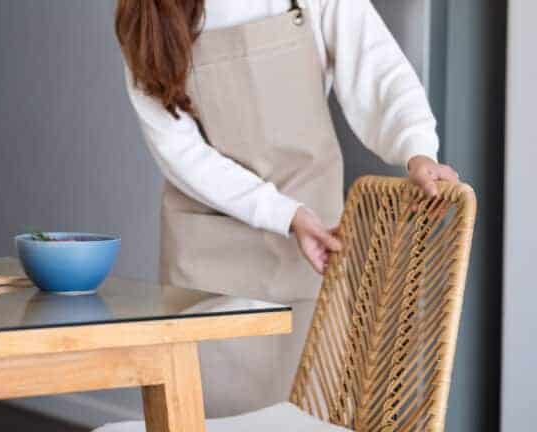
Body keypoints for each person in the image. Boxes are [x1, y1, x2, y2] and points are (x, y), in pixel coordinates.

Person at [115, 0, 459, 417]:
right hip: (209, 254)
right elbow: (180, 153)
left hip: (309, 246)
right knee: (200, 412)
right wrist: (283, 214)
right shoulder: (147, 13)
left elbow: (379, 69)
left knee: (307, 408)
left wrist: (416, 148)